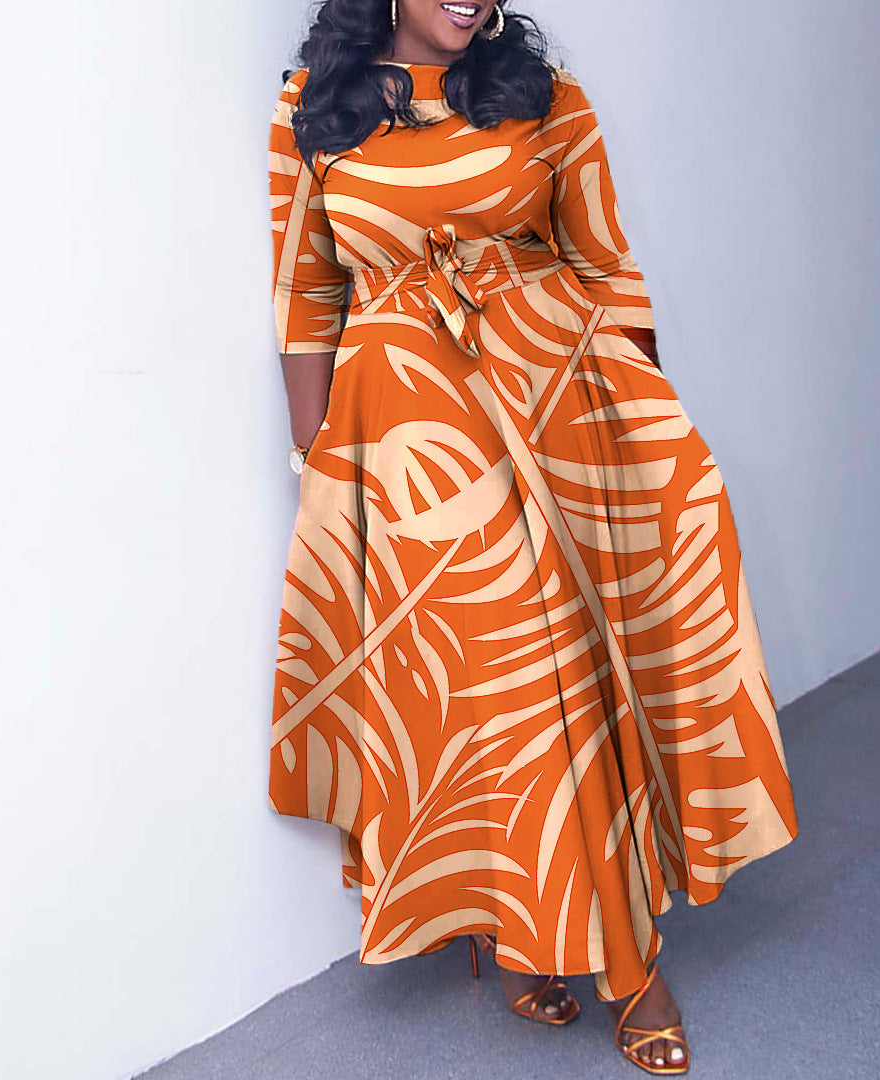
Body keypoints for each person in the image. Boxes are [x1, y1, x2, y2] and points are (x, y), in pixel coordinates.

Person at [267, 1, 799, 1073]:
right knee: (485, 690)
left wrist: (646, 426)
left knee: (568, 673)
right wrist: (316, 463)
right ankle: (531, 925)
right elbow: (305, 293)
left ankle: (630, 962)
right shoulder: (309, 109)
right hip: (414, 441)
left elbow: (605, 261)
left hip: (560, 400)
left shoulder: (539, 93)